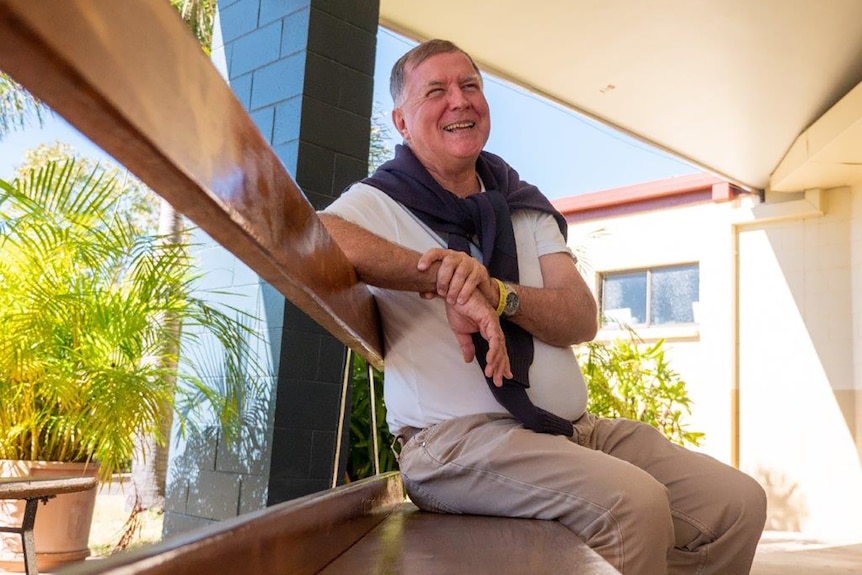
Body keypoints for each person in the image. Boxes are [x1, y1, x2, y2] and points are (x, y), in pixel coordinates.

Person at [320, 39, 766, 574]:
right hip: (457, 442)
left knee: (735, 503)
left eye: (470, 87)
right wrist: (446, 276)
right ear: (401, 121)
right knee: (632, 506)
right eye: (435, 91)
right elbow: (322, 234)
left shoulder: (520, 203)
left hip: (566, 429)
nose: (459, 101)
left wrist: (496, 293)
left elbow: (580, 316)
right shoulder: (379, 201)